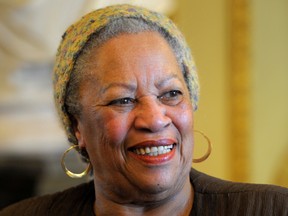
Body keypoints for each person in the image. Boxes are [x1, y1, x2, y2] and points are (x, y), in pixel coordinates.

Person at [1, 4, 287, 216]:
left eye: (171, 94)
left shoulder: (272, 209)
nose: (154, 119)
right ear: (77, 127)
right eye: (122, 100)